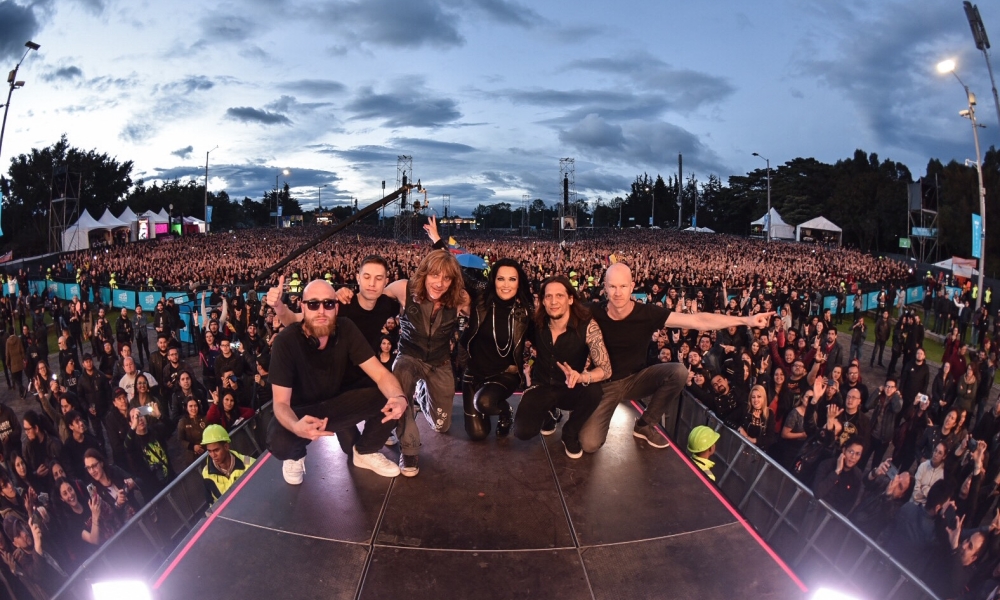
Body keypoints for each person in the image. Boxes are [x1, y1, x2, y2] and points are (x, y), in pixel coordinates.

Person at [581, 263, 772, 453]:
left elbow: (698, 320)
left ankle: (645, 425)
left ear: (632, 286)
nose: (617, 292)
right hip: (605, 384)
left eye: (623, 286)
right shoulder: (591, 312)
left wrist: (746, 320)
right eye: (612, 286)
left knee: (678, 372)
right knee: (589, 444)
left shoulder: (647, 313)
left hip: (636, 379)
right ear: (604, 287)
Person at [266, 279, 408, 484]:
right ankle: (295, 456)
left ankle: (365, 450)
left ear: (336, 307)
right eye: (314, 304)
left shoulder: (346, 328)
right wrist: (296, 427)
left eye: (328, 304)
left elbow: (380, 374)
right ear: (303, 307)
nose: (321, 311)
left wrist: (398, 397)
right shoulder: (285, 342)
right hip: (300, 412)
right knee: (279, 441)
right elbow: (280, 403)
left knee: (391, 393)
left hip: (335, 403)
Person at [513, 276, 610, 458]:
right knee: (522, 432)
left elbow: (606, 369)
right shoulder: (536, 324)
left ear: (571, 299)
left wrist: (581, 377)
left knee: (594, 391)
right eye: (548, 296)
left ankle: (570, 432)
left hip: (571, 387)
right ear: (542, 301)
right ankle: (548, 416)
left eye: (559, 295)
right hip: (542, 386)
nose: (554, 301)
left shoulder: (588, 327)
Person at [200, 424, 255, 504]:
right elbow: (211, 503)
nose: (213, 455)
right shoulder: (206, 473)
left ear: (226, 446)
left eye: (216, 450)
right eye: (209, 451)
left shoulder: (250, 464)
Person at [812, 437, 865, 514]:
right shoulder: (827, 465)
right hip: (815, 510)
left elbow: (849, 504)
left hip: (833, 518)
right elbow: (818, 492)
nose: (853, 457)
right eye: (851, 452)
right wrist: (837, 471)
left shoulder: (857, 475)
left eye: (857, 454)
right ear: (844, 450)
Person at [177, 398, 208, 467]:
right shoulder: (183, 422)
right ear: (186, 408)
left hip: (207, 451)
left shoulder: (204, 418)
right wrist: (192, 446)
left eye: (195, 406)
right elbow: (180, 440)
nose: (193, 408)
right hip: (192, 455)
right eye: (190, 406)